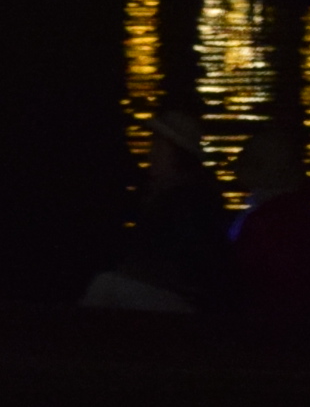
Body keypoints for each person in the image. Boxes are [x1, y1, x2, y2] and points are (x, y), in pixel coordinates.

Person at [84, 102, 231, 312]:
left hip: (184, 300)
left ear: (176, 155)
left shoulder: (186, 201)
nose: (151, 154)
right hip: (179, 296)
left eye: (158, 146)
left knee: (106, 285)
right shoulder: (177, 195)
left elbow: (184, 264)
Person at [224, 119, 310, 321]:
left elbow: (245, 278)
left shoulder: (264, 222)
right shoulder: (307, 216)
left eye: (248, 160)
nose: (237, 167)